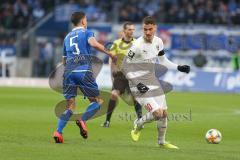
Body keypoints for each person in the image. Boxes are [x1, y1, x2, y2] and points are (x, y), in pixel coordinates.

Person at [122, 16, 190, 149]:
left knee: (164, 113)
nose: (147, 32)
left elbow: (163, 61)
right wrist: (136, 83)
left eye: (150, 29)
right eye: (145, 29)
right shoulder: (136, 45)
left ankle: (162, 142)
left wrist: (178, 67)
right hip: (138, 85)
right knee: (157, 113)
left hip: (152, 81)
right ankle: (138, 123)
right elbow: (124, 66)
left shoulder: (159, 42)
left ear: (155, 28)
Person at [53, 11, 117, 143]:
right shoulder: (87, 32)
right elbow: (94, 44)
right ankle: (82, 119)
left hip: (68, 72)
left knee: (70, 106)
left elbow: (64, 61)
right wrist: (110, 53)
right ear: (83, 21)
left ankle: (58, 132)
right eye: (86, 20)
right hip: (83, 70)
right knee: (97, 101)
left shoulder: (67, 37)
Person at [101, 22, 142, 128]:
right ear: (124, 31)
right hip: (120, 75)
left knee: (136, 97)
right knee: (114, 95)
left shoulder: (138, 43)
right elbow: (112, 59)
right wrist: (112, 73)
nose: (132, 31)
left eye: (133, 29)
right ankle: (107, 121)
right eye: (129, 29)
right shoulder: (116, 43)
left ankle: (140, 121)